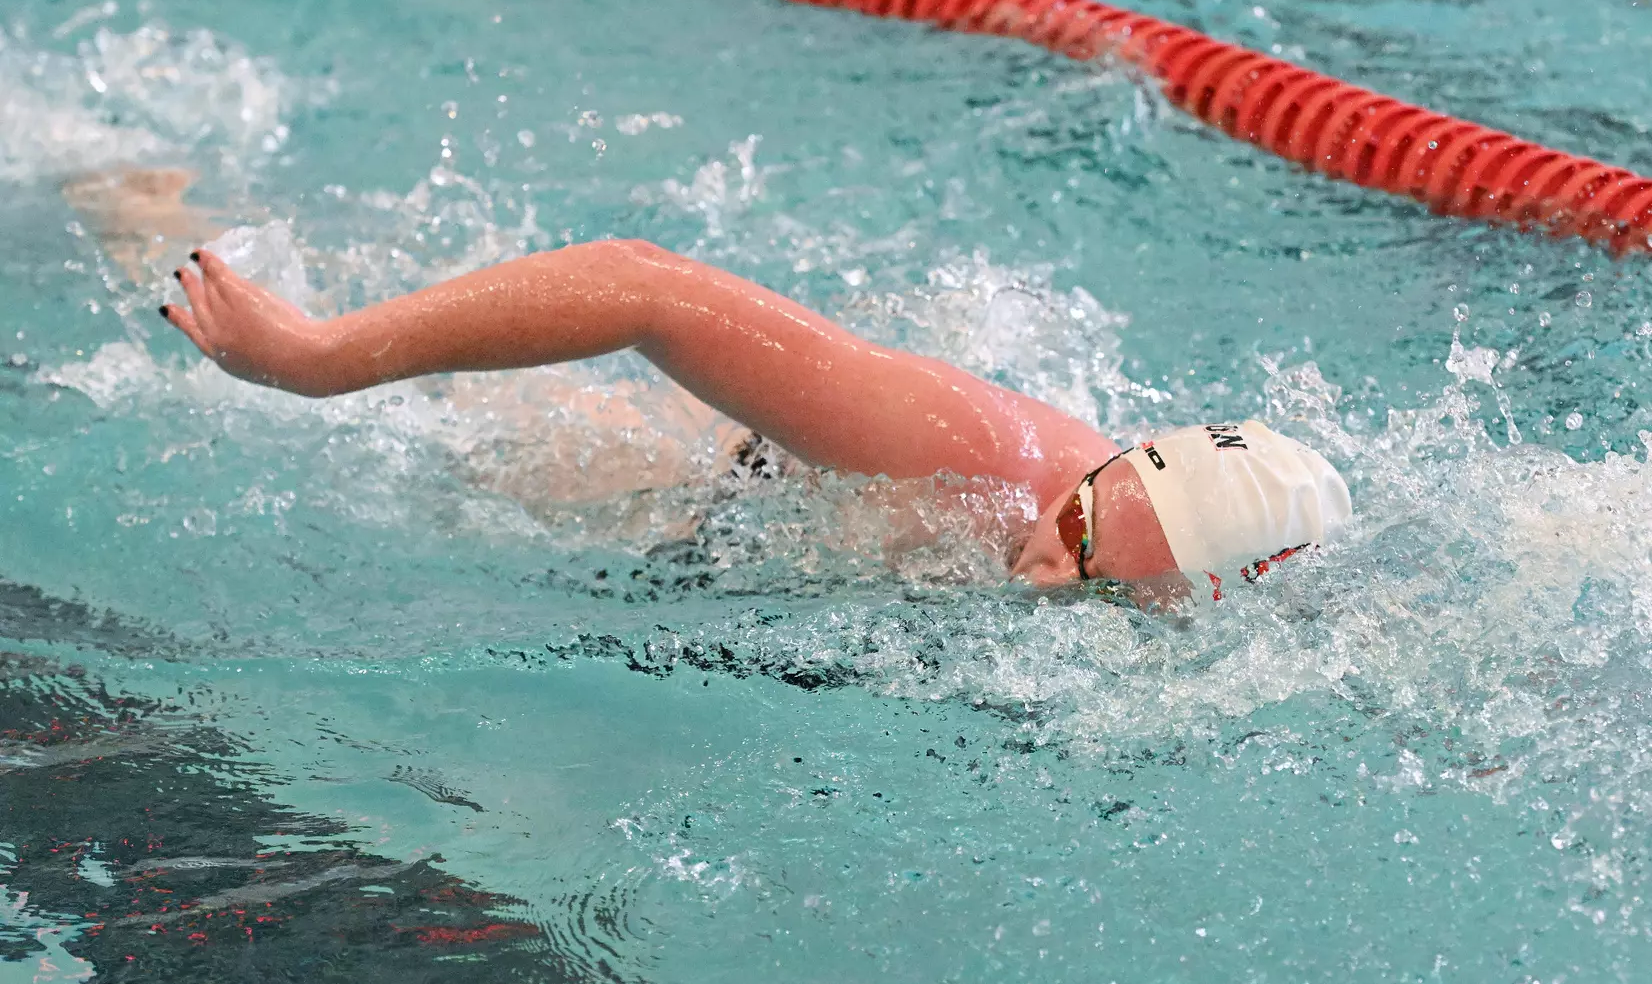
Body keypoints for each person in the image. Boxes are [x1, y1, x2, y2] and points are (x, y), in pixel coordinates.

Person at [154, 237, 1352, 600]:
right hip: (703, 489)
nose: (1045, 570)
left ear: (1183, 590)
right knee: (435, 444)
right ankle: (149, 215)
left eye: (1089, 571)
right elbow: (641, 284)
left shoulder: (1212, 597)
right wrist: (319, 360)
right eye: (1070, 525)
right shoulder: (975, 448)